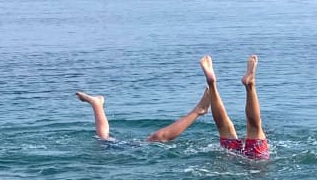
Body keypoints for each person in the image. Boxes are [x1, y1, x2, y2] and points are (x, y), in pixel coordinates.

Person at [75, 87, 211, 142]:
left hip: (121, 150)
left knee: (103, 139)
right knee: (157, 137)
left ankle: (96, 104)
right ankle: (199, 110)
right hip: (123, 151)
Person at [199, 54, 269, 160]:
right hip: (257, 162)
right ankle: (249, 84)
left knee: (231, 127)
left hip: (232, 156)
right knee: (251, 128)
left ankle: (212, 84)